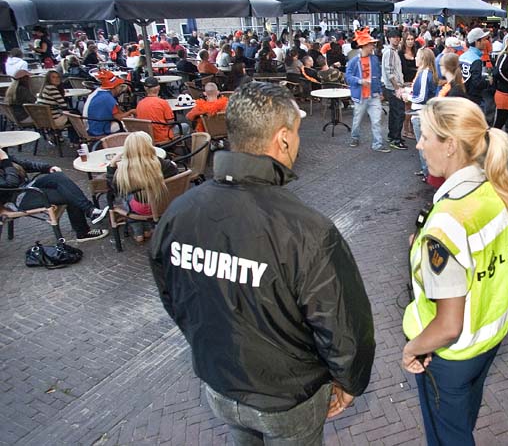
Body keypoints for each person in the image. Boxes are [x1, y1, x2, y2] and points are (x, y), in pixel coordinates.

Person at [150, 82, 375, 445]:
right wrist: (350, 380)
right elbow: (342, 322)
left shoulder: (179, 213)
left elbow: (173, 296)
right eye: (298, 134)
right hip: (287, 399)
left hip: (220, 386)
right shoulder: (306, 230)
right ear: (283, 140)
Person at [403, 96, 508, 445]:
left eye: (425, 136)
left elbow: (448, 325)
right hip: (487, 339)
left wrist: (413, 349)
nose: (420, 144)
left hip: (449, 355)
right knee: (461, 425)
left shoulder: (447, 223)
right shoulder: (498, 188)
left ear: (450, 145)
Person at [0, 147, 109, 242]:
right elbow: (11, 184)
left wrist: (48, 168)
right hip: (17, 199)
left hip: (28, 188)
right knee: (69, 194)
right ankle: (84, 228)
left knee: (58, 177)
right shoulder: (3, 158)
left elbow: (25, 164)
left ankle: (90, 211)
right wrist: (5, 161)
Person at [106, 132, 179, 243]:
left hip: (139, 208)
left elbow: (114, 189)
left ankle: (139, 232)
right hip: (163, 203)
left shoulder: (124, 170)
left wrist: (112, 166)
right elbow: (174, 171)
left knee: (126, 197)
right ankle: (148, 228)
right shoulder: (160, 164)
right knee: (140, 196)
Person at [346, 28, 390, 152]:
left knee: (377, 120)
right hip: (361, 96)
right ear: (364, 46)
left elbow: (377, 76)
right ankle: (355, 137)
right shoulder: (354, 61)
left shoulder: (374, 59)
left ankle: (378, 144)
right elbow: (347, 77)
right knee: (357, 119)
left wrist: (380, 92)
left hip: (373, 95)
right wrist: (360, 81)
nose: (373, 46)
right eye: (371, 44)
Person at [408, 47, 439, 180]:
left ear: (423, 59)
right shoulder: (428, 72)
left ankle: (428, 173)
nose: (415, 58)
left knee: (423, 146)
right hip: (424, 112)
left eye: (417, 56)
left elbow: (421, 98)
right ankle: (427, 171)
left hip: (420, 113)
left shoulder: (425, 73)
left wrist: (407, 97)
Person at [86, 70, 135, 136]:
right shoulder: (108, 99)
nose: (120, 89)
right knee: (127, 125)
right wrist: (130, 112)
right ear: (114, 87)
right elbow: (119, 117)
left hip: (90, 125)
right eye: (119, 86)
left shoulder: (98, 92)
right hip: (98, 129)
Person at [135, 76, 183, 144]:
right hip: (163, 137)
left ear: (145, 88)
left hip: (146, 137)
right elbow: (170, 123)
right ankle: (176, 148)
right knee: (185, 126)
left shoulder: (139, 103)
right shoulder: (163, 103)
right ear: (159, 87)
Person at [382, 29, 407, 150]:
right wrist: (397, 88)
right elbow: (390, 72)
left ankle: (392, 136)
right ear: (389, 38)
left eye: (398, 37)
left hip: (390, 87)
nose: (396, 39)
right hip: (393, 88)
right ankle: (396, 139)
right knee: (399, 114)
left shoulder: (390, 51)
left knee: (394, 113)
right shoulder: (391, 52)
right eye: (394, 37)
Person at [459, 28, 492, 112]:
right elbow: (476, 82)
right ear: (477, 42)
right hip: (474, 100)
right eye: (484, 40)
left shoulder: (462, 56)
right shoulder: (476, 60)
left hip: (462, 97)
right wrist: (488, 81)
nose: (486, 42)